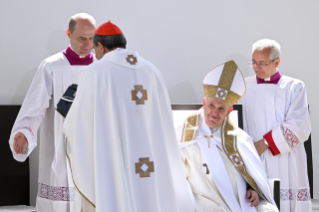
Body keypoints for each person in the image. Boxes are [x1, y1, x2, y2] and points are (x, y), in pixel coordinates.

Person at [63, 21, 194, 212]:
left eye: (95, 49)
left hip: (116, 153)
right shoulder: (151, 70)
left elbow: (78, 121)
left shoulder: (98, 71)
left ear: (100, 46)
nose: (95, 55)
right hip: (150, 156)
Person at [9, 13, 96, 212]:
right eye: (82, 38)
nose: (88, 43)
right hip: (60, 144)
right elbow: (35, 105)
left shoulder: (101, 68)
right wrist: (24, 131)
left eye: (92, 38)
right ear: (69, 34)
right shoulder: (52, 66)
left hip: (92, 144)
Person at [177, 60, 279, 212]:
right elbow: (175, 178)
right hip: (205, 202)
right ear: (204, 103)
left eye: (221, 109)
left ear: (229, 112)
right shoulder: (183, 136)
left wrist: (253, 189)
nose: (214, 113)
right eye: (211, 106)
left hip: (241, 199)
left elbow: (252, 173)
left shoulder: (239, 138)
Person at [239, 39, 312, 212]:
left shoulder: (294, 87)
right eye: (254, 62)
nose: (256, 67)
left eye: (262, 63)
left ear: (277, 62)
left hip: (286, 158)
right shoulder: (243, 87)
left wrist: (264, 144)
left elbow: (298, 126)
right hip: (254, 156)